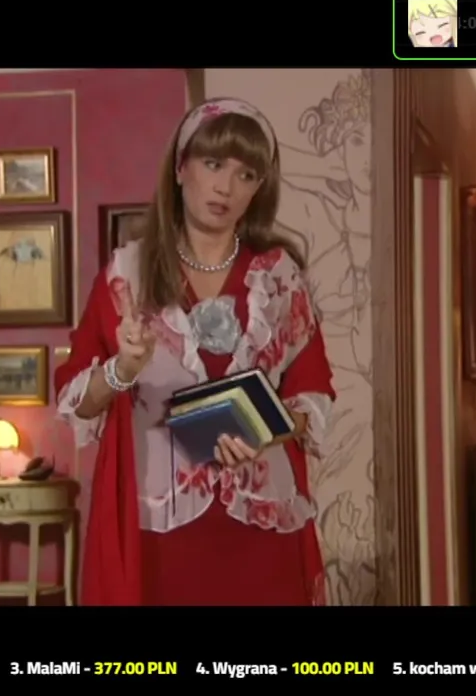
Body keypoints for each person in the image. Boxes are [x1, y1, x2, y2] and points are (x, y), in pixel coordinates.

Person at [53, 97, 336, 606]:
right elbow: (77, 402)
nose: (226, 187)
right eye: (213, 164)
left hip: (262, 528)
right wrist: (122, 368)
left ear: (259, 189)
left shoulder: (279, 277)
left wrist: (265, 428)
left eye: (246, 175)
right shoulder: (126, 275)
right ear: (181, 169)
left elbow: (312, 396)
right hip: (162, 532)